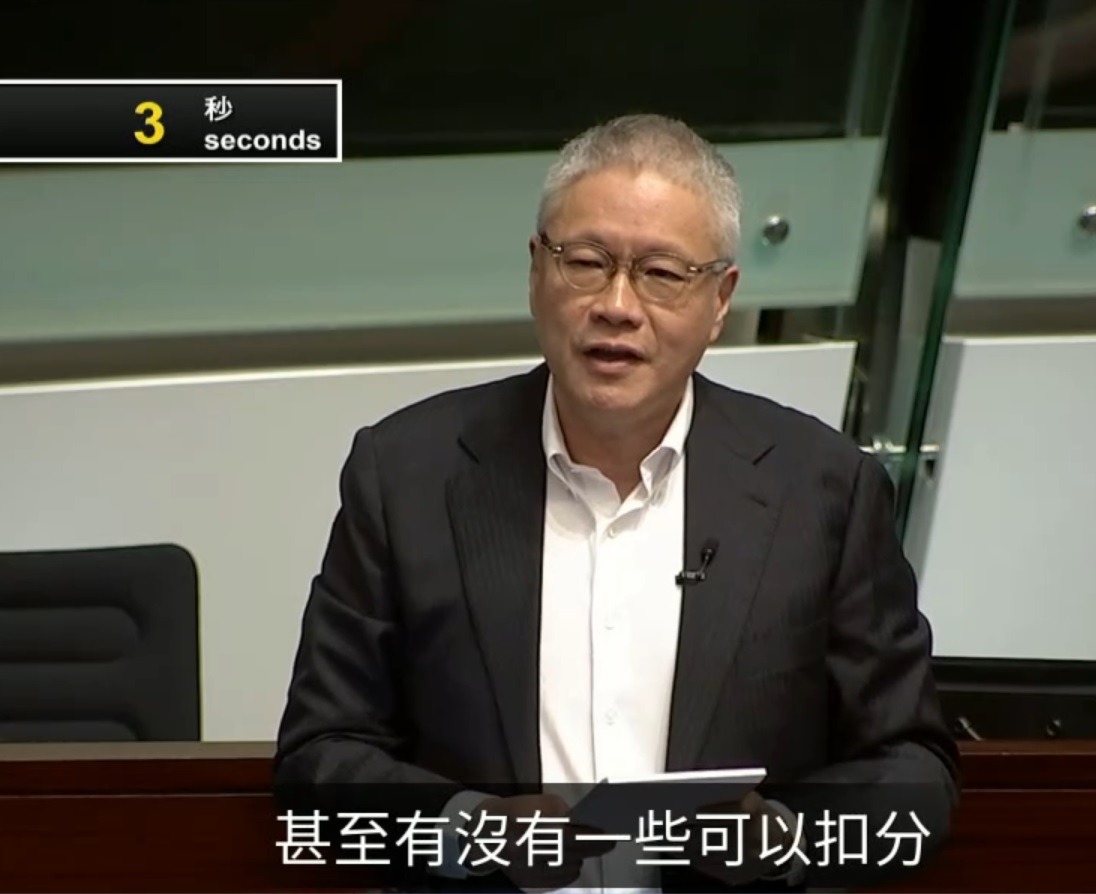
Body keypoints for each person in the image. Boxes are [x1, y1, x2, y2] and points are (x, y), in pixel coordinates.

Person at [275, 113, 959, 892]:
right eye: (587, 263)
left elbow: (915, 768)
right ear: (536, 271)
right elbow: (319, 756)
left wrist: (789, 838)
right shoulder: (407, 474)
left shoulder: (823, 489)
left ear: (720, 300)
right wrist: (466, 828)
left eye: (662, 273)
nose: (618, 305)